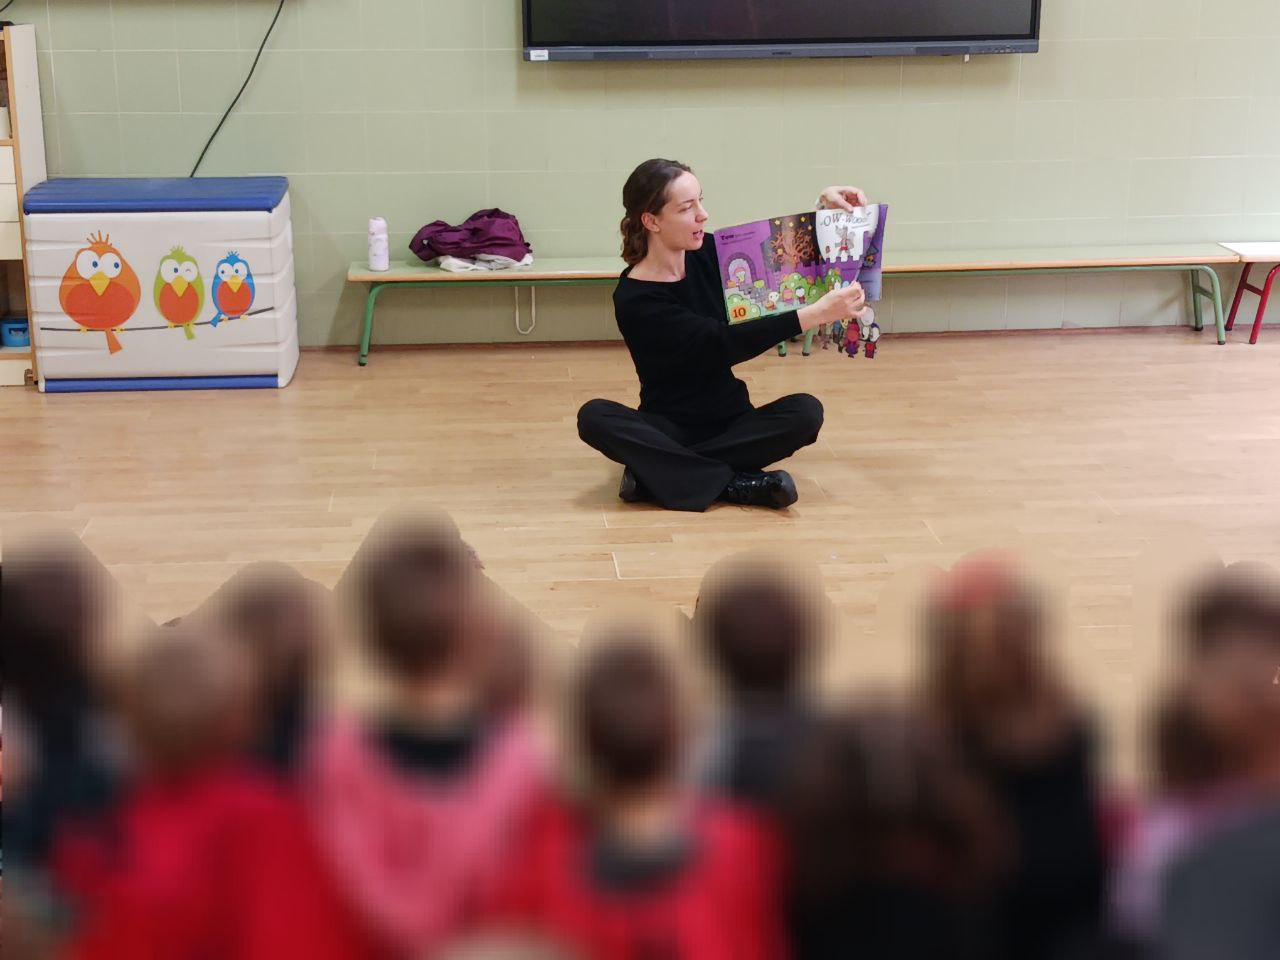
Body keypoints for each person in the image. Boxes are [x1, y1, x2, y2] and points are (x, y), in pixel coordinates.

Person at [577, 158, 869, 512]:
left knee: (806, 412)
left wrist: (824, 211)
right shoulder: (635, 299)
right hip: (669, 425)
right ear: (651, 221)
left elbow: (779, 258)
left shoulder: (708, 253)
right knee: (594, 417)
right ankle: (734, 484)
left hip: (733, 421)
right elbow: (719, 344)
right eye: (687, 208)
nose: (703, 215)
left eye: (700, 201)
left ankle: (658, 472)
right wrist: (814, 315)